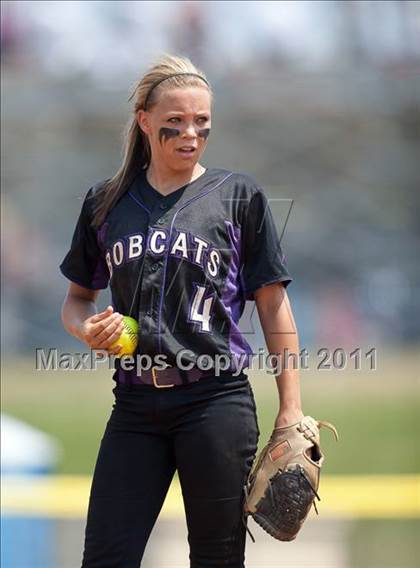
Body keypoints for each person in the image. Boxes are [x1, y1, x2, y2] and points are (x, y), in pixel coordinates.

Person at [59, 53, 304, 568]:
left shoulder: (237, 196)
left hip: (215, 401)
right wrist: (87, 329)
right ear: (145, 122)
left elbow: (274, 306)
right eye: (175, 123)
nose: (190, 134)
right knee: (106, 556)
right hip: (134, 406)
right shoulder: (106, 202)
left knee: (216, 559)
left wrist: (291, 409)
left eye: (201, 125)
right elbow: (78, 298)